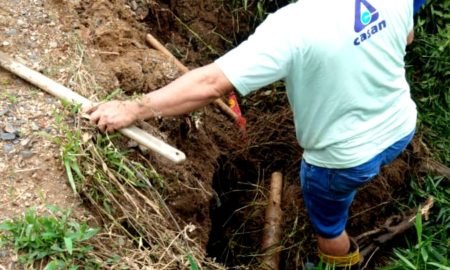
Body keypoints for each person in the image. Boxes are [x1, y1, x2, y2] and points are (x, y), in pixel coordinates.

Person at [86, 0, 427, 268]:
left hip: (341, 160)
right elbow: (407, 34)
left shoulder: (293, 27)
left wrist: (133, 109)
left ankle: (339, 263)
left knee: (330, 226)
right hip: (400, 128)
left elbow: (210, 84)